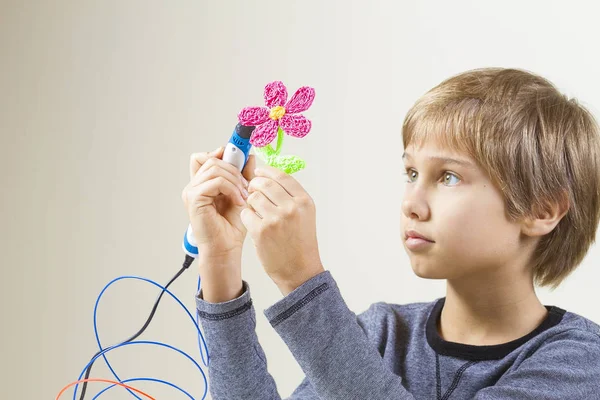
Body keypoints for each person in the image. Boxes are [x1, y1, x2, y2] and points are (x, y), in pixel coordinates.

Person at [181, 67, 600, 399]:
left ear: (542, 209)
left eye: (449, 176)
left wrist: (301, 281)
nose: (410, 203)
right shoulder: (382, 333)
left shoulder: (579, 361)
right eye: (411, 172)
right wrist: (219, 265)